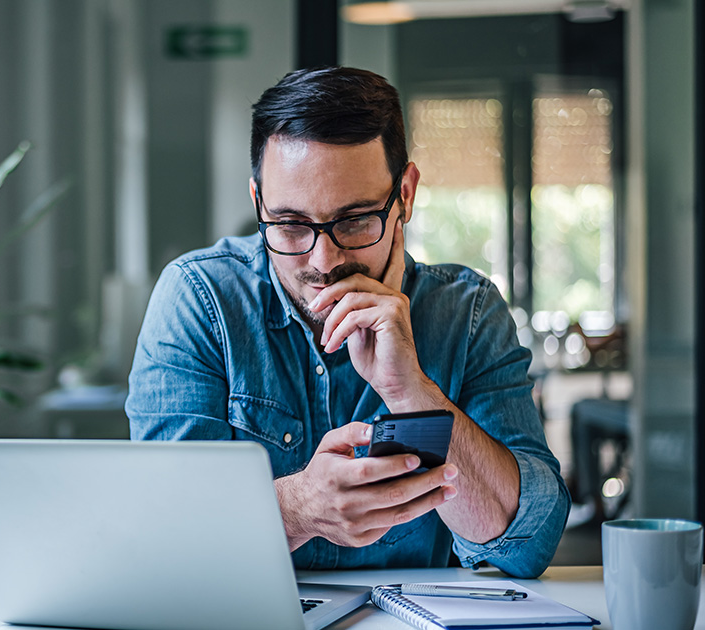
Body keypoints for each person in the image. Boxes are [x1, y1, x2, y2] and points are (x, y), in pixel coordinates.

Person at [125, 67, 569, 578]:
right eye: (291, 225)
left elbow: (528, 544)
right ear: (258, 203)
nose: (325, 259)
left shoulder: (465, 313)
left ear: (404, 195)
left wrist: (410, 393)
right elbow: (163, 535)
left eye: (355, 220)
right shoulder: (200, 301)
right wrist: (294, 510)